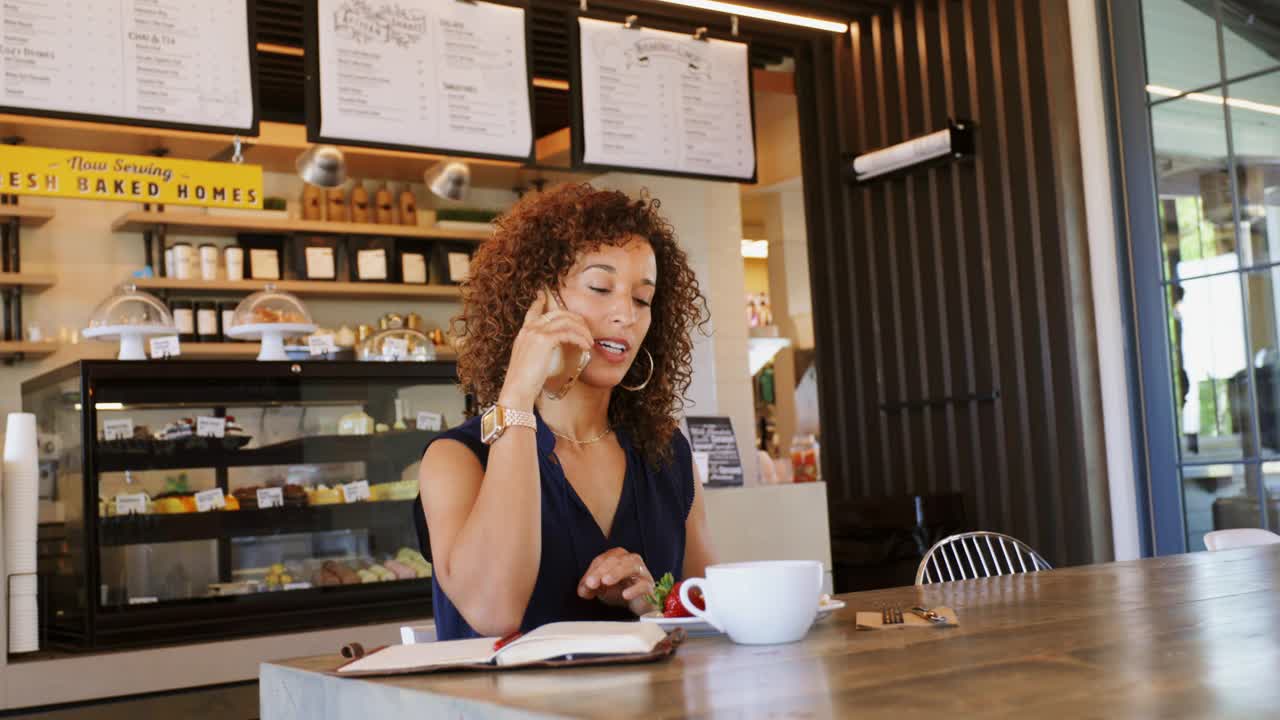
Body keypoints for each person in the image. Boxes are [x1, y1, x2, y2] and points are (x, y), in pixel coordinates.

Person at [416, 183, 716, 640]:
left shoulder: (666, 452)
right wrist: (516, 395)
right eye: (600, 287)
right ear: (534, 300)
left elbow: (707, 613)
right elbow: (494, 611)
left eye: (642, 299)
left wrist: (654, 600)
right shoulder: (456, 459)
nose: (626, 314)